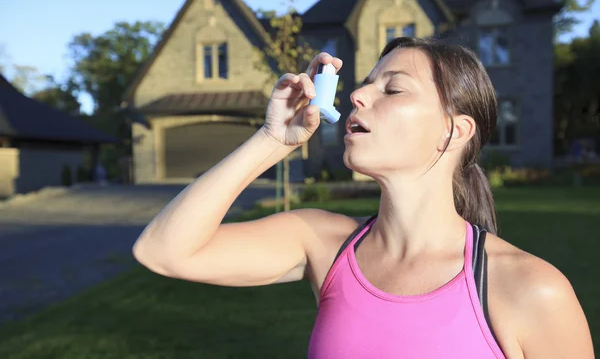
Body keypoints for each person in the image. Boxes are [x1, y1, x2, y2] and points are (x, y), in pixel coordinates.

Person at [132, 37, 594, 358]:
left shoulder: (531, 290)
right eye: (367, 83)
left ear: (454, 131)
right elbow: (163, 251)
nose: (356, 95)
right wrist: (274, 140)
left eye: (392, 89)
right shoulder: (322, 243)